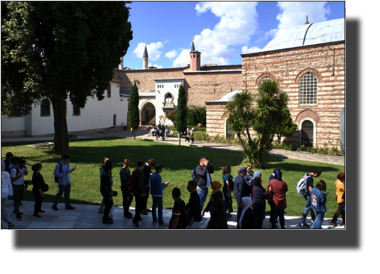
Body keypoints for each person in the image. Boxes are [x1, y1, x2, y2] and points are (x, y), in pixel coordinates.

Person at [195, 157, 214, 221]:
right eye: (205, 161)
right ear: (201, 162)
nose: (206, 162)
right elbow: (203, 174)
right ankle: (197, 217)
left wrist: (210, 165)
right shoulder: (198, 168)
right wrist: (206, 166)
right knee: (199, 203)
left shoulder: (205, 168)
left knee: (202, 202)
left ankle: (199, 215)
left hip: (205, 188)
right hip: (201, 188)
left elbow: (212, 171)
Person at [132, 160, 145, 227]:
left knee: (138, 204)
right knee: (139, 206)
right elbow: (140, 184)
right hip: (139, 191)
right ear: (142, 165)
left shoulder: (134, 171)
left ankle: (138, 217)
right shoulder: (141, 172)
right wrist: (142, 192)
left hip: (135, 190)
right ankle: (135, 219)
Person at [1, 160, 14, 228]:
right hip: (5, 194)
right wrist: (10, 193)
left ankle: (9, 222)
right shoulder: (6, 174)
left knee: (2, 210)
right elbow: (9, 184)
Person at [100, 160, 114, 224]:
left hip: (106, 190)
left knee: (110, 203)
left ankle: (105, 217)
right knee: (108, 204)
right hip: (105, 191)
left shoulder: (107, 172)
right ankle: (105, 219)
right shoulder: (105, 174)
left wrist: (110, 189)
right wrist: (109, 196)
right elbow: (105, 186)